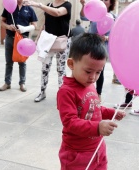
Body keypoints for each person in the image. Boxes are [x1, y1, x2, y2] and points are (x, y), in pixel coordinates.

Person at [57, 33, 126, 170]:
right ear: (71, 64)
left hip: (98, 148)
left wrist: (111, 112)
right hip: (77, 154)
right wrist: (97, 127)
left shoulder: (89, 84)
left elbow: (93, 108)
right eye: (88, 71)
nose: (93, 77)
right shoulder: (66, 91)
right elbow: (70, 122)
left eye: (98, 72)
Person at [23, 0, 72, 102]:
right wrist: (37, 39)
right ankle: (42, 92)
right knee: (45, 68)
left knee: (61, 69)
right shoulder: (49, 5)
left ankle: (62, 96)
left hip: (61, 41)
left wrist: (38, 5)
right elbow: (44, 24)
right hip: (48, 41)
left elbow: (57, 12)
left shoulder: (67, 4)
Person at [80, 0, 121, 101]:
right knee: (86, 68)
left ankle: (98, 94)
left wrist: (106, 38)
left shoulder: (113, 17)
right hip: (90, 45)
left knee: (99, 71)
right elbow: (83, 16)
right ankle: (84, 91)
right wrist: (83, 5)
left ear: (111, 3)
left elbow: (116, 35)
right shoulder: (95, 12)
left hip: (103, 47)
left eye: (106, 0)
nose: (103, 1)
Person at [0, 0, 38, 92]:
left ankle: (22, 83)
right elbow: (2, 22)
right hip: (9, 37)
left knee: (22, 62)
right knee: (8, 62)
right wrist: (8, 27)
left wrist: (24, 29)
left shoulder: (29, 9)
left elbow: (35, 25)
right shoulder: (9, 7)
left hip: (23, 39)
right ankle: (7, 83)